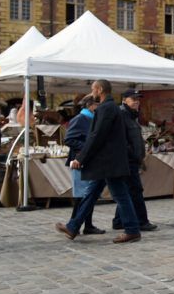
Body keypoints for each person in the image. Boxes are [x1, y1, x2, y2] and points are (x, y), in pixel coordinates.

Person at [56, 80, 141, 243]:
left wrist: (81, 158)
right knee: (92, 193)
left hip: (108, 161)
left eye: (93, 89)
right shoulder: (110, 107)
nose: (91, 91)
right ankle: (73, 226)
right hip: (106, 161)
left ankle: (132, 229)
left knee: (120, 195)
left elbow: (97, 136)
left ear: (100, 89)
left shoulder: (106, 108)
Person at [112, 89, 157, 232]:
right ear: (124, 100)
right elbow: (121, 140)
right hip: (127, 160)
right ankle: (142, 221)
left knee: (127, 191)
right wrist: (134, 155)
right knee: (136, 190)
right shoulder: (122, 115)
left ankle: (118, 221)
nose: (137, 101)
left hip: (133, 159)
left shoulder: (132, 116)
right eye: (133, 99)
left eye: (138, 98)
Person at [63, 95, 105, 234]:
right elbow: (69, 139)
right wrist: (87, 148)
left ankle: (87, 225)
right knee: (82, 194)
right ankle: (75, 224)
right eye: (98, 105)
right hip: (79, 161)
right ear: (91, 105)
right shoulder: (80, 119)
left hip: (88, 160)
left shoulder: (92, 119)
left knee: (88, 193)